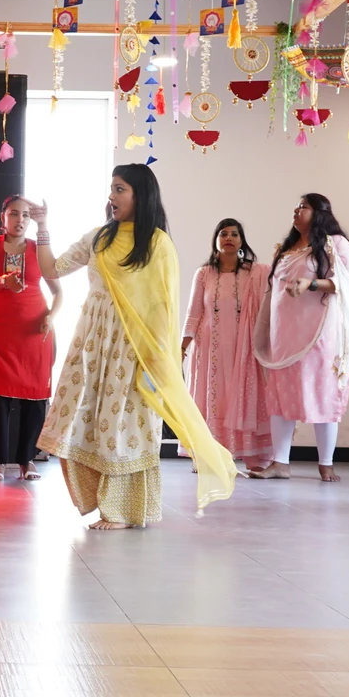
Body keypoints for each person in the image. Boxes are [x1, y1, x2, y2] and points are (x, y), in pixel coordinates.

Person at [31, 164, 236, 529]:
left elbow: (163, 308)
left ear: (140, 195)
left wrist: (158, 361)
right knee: (82, 419)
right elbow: (53, 270)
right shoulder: (98, 238)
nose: (111, 196)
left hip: (132, 347)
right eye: (111, 189)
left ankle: (123, 510)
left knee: (122, 423)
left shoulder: (157, 244)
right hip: (92, 343)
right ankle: (99, 500)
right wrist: (43, 227)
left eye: (120, 189)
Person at [252, 194, 349, 482]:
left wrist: (311, 284)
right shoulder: (287, 248)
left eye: (304, 207)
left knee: (323, 394)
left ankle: (326, 463)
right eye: (296, 206)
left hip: (320, 336)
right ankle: (280, 463)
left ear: (320, 213)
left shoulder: (335, 244)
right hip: (284, 336)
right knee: (279, 396)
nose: (296, 210)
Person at [0, 196, 63, 481]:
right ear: (3, 216)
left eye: (26, 215)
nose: (20, 220)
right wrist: (3, 281)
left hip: (34, 332)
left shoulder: (40, 249)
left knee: (35, 398)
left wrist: (50, 316)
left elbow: (58, 292)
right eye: (14, 214)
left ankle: (26, 460)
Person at [181, 219, 273, 469]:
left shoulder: (256, 273)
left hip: (244, 349)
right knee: (212, 398)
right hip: (210, 348)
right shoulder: (204, 274)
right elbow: (194, 313)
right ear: (216, 240)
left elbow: (276, 292)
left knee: (242, 395)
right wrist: (182, 347)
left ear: (242, 241)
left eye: (234, 234)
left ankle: (253, 455)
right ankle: (209, 456)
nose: (229, 238)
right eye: (223, 234)